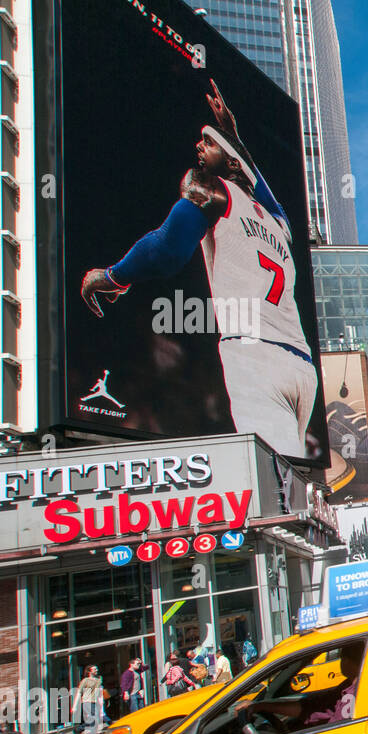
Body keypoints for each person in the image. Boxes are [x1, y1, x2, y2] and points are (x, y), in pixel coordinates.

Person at [78, 80, 319, 459]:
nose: (198, 147)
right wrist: (234, 137)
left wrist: (112, 276)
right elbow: (264, 189)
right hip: (303, 368)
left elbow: (167, 251)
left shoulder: (209, 188)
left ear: (230, 162)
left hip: (256, 359)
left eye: (208, 143)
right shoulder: (279, 224)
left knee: (275, 494)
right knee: (290, 479)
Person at [249, 650, 361, 729]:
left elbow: (339, 732)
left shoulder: (356, 693)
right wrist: (263, 706)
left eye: (341, 658)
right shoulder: (346, 686)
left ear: (347, 661)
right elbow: (314, 707)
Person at [72, 665, 104, 734]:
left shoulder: (98, 680)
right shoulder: (85, 681)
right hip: (87, 701)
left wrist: (101, 703)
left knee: (94, 718)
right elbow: (79, 692)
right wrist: (75, 706)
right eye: (94, 669)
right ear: (89, 671)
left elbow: (98, 692)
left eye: (97, 669)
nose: (97, 670)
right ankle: (88, 733)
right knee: (93, 718)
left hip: (94, 701)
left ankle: (80, 729)